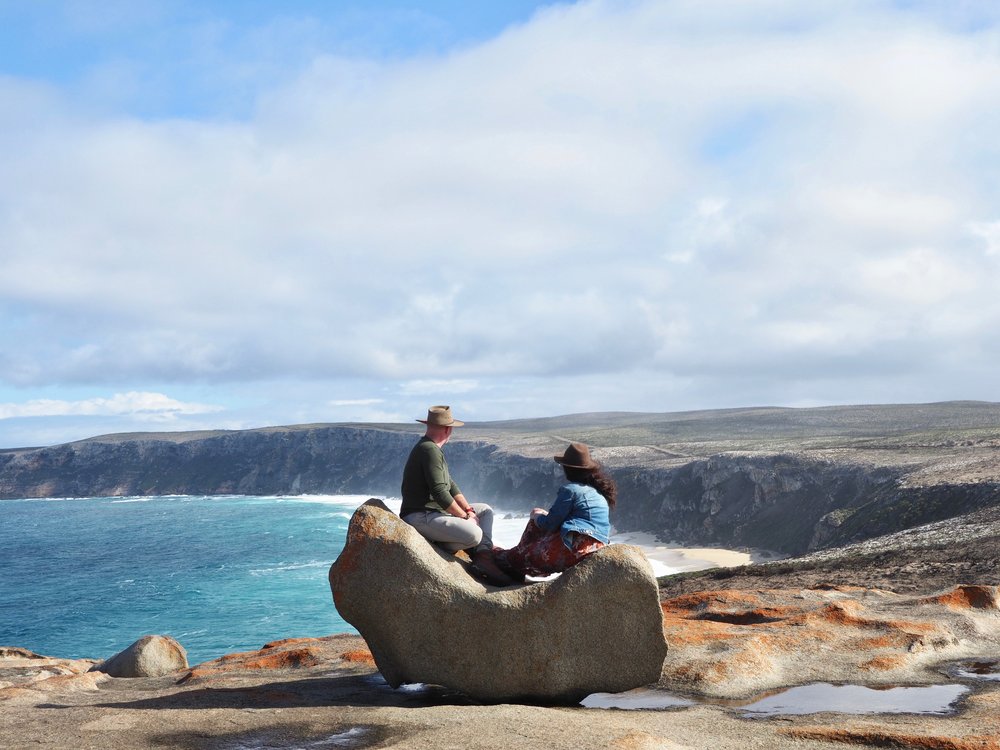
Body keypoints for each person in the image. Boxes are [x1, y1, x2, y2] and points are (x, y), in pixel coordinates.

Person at [400, 405, 513, 586]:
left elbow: (451, 485)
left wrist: (469, 510)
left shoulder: (432, 448)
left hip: (435, 513)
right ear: (448, 429)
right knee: (474, 534)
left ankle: (483, 556)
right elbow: (440, 493)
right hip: (421, 515)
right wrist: (465, 517)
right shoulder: (429, 450)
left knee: (485, 511)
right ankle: (439, 547)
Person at [494, 442, 615, 581]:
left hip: (576, 548)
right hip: (596, 545)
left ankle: (514, 558)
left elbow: (550, 524)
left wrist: (536, 516)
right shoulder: (597, 493)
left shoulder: (570, 490)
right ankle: (518, 556)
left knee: (536, 518)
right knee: (541, 517)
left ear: (567, 469)